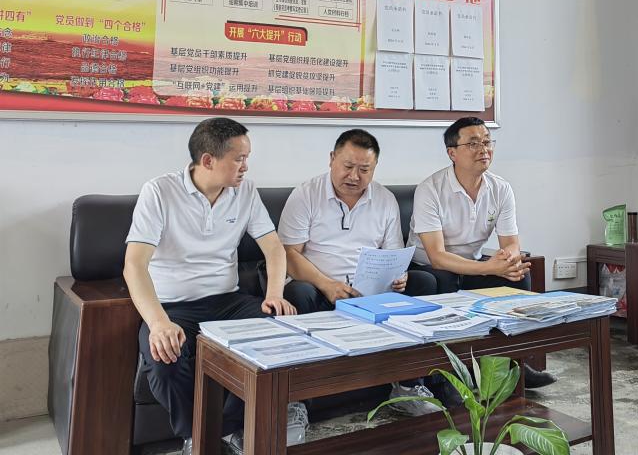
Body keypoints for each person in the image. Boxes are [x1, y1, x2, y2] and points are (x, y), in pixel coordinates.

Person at [123, 117, 304, 455]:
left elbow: (274, 248)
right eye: (239, 159)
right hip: (173, 307)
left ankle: (232, 428)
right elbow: (134, 265)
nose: (246, 166)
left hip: (228, 301)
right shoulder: (159, 192)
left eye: (247, 158)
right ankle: (197, 438)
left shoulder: (245, 191)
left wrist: (274, 294)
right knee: (164, 361)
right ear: (208, 160)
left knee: (284, 332)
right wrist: (159, 323)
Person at [278, 128, 438, 415]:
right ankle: (295, 401)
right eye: (348, 166)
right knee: (297, 292)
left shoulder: (385, 199)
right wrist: (326, 284)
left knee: (424, 282)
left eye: (364, 170)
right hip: (318, 287)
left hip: (371, 292)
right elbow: (289, 255)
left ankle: (408, 386)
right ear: (332, 159)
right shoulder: (306, 195)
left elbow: (392, 253)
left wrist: (398, 277)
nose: (354, 176)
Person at [408, 116, 557, 389]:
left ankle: (514, 364)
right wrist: (490, 267)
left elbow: (511, 242)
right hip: (430, 268)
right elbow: (437, 256)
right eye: (473, 143)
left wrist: (508, 260)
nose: (484, 150)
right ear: (452, 153)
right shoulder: (430, 189)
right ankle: (447, 377)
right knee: (443, 278)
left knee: (517, 277)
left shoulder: (500, 188)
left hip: (474, 266)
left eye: (487, 142)